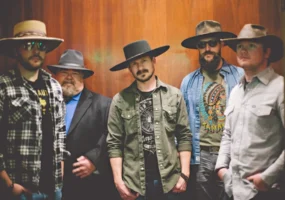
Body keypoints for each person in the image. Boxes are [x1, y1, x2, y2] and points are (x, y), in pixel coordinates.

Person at [107, 40, 192, 200]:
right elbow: (114, 143)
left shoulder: (174, 95)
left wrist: (185, 175)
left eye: (144, 61)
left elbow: (184, 136)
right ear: (129, 68)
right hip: (135, 185)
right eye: (134, 64)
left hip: (171, 182)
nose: (140, 68)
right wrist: (118, 181)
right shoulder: (119, 101)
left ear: (154, 60)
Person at [215, 24, 285, 200]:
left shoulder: (281, 88)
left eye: (251, 46)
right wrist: (222, 169)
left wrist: (267, 178)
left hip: (264, 192)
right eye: (240, 46)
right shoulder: (236, 91)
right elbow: (228, 134)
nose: (243, 51)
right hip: (233, 190)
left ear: (267, 52)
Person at [0, 20, 65, 200]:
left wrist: (60, 171)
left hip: (53, 187)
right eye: (29, 45)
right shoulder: (3, 86)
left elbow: (60, 132)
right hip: (18, 188)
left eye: (41, 45)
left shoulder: (54, 86)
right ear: (16, 50)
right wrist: (8, 184)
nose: (36, 51)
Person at [180, 20, 244, 199]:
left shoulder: (239, 76)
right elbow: (182, 126)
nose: (207, 48)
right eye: (202, 45)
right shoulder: (188, 82)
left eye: (212, 43)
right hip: (201, 156)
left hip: (232, 154)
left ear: (221, 44)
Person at [47, 49, 120, 200]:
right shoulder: (44, 102)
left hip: (88, 187)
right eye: (64, 72)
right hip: (49, 185)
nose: (69, 77)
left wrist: (94, 160)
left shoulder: (103, 104)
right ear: (55, 76)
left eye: (75, 73)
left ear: (83, 77)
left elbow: (112, 136)